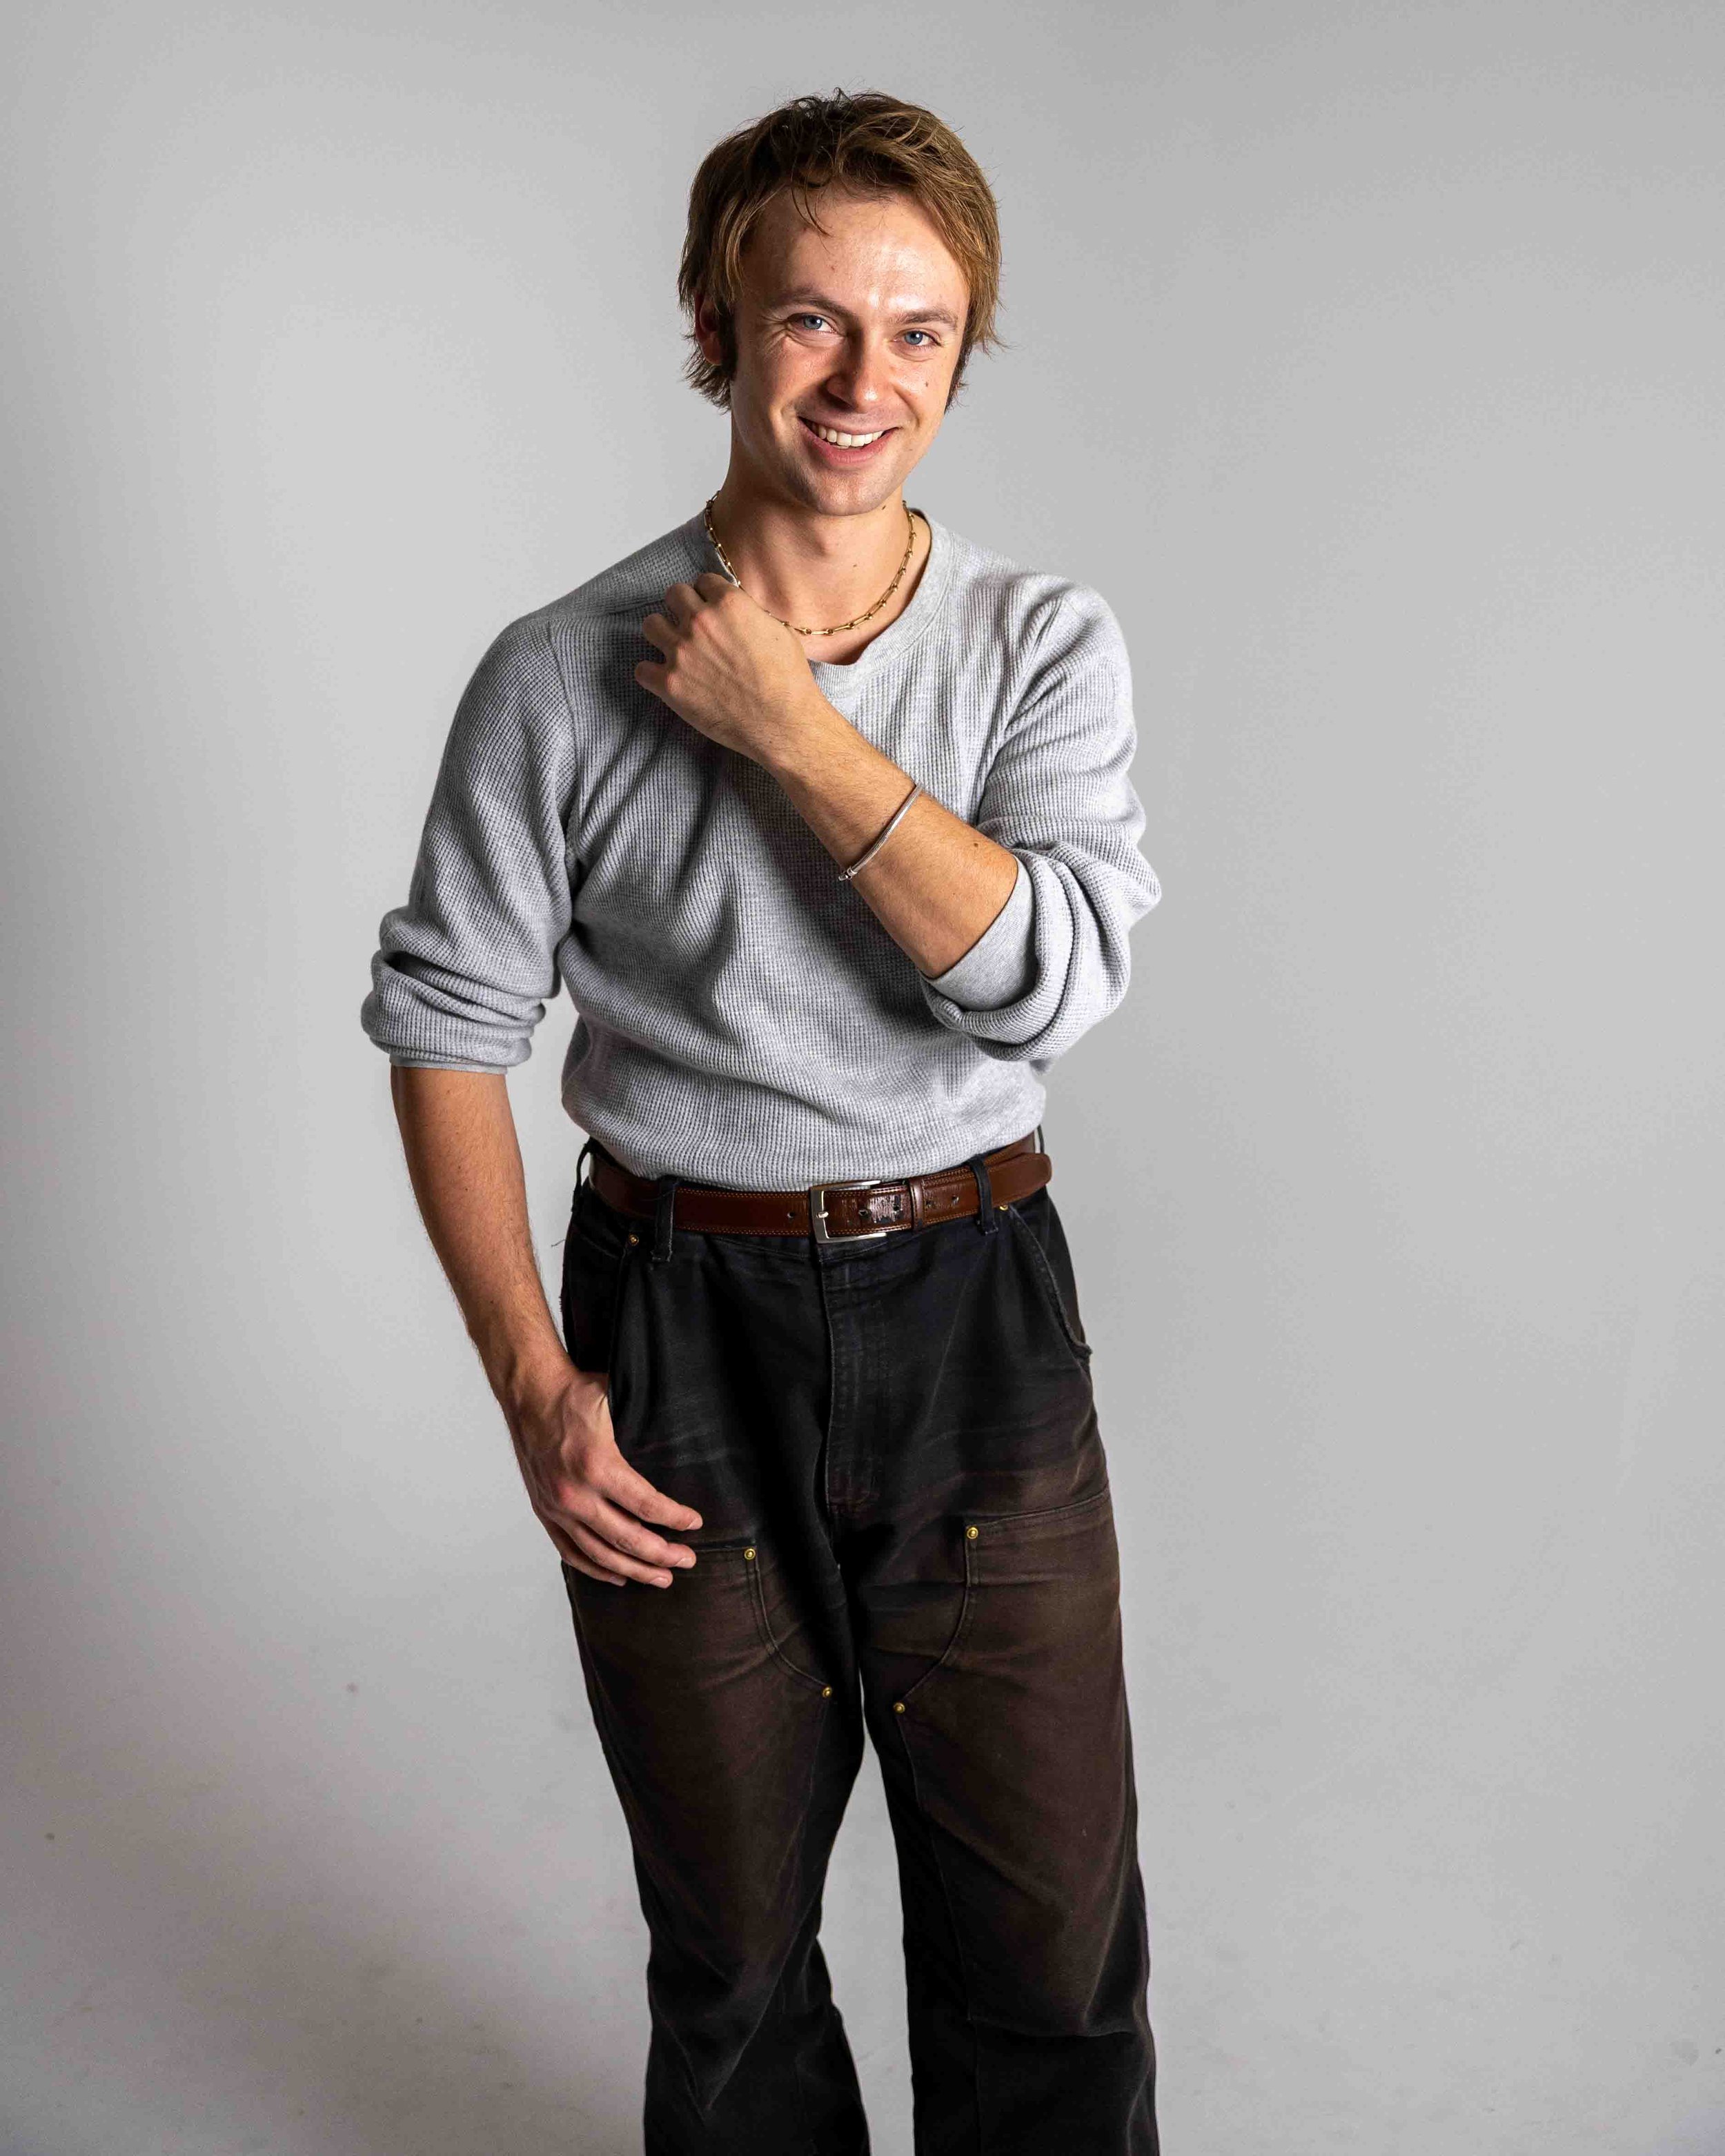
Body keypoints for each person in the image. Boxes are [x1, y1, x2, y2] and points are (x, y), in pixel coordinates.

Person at [361, 86, 1163, 2155]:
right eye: (811, 321)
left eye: (915, 333)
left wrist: (790, 732)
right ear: (717, 332)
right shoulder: (553, 671)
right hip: (675, 1322)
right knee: (724, 1957)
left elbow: (1048, 976)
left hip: (976, 1309)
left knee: (1048, 1955)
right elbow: (447, 1025)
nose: (861, 379)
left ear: (959, 354)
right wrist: (533, 1379)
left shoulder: (1035, 646)